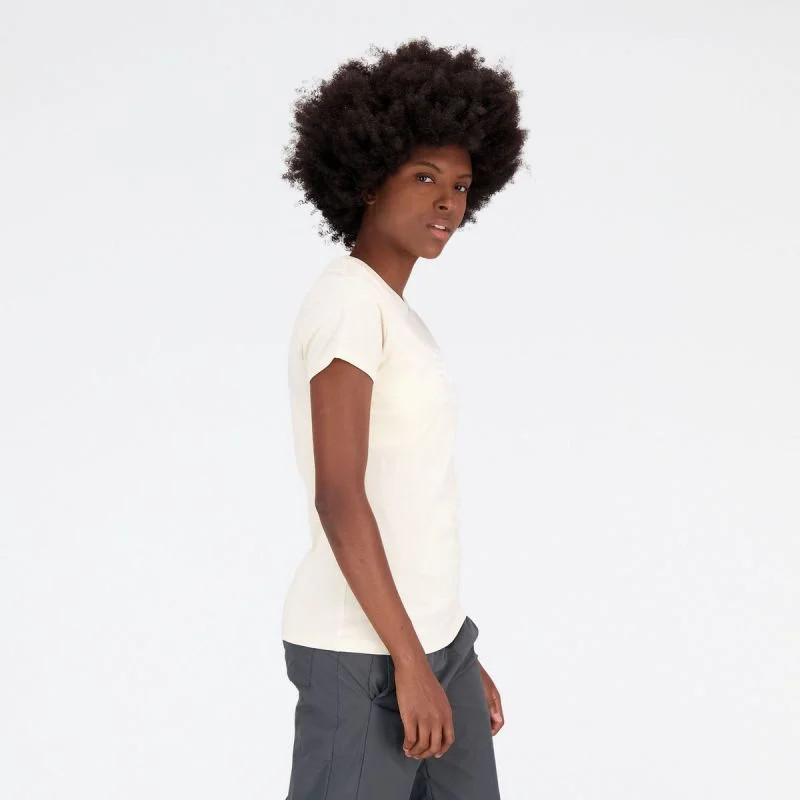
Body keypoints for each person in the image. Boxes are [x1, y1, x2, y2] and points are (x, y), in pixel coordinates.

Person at [279, 37, 528, 799]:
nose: (448, 201)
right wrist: (412, 663)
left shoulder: (394, 313)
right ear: (366, 180)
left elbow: (412, 494)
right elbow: (340, 496)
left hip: (432, 642)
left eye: (461, 185)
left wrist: (452, 650)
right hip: (363, 655)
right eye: (424, 177)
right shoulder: (348, 304)